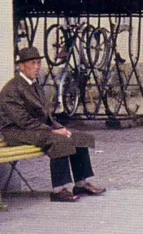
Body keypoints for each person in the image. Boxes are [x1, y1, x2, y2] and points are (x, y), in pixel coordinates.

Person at [0, 46, 106, 202]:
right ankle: (59, 190)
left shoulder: (34, 84)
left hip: (33, 129)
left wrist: (58, 127)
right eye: (32, 63)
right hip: (16, 132)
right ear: (21, 66)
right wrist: (52, 131)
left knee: (77, 136)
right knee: (58, 140)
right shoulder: (12, 88)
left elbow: (46, 116)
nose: (37, 67)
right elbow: (22, 120)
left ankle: (81, 183)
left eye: (38, 63)